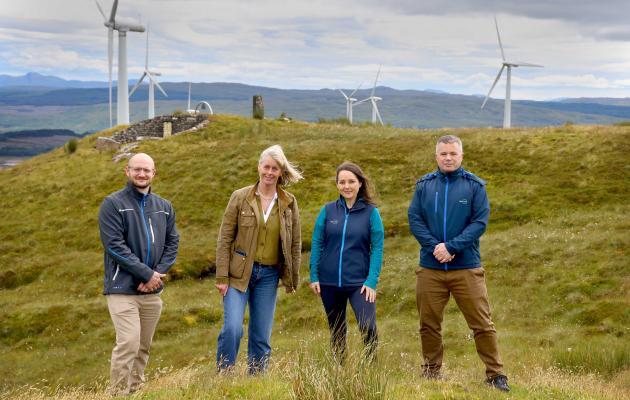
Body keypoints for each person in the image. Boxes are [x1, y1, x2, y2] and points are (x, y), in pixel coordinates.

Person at [407, 135, 510, 392]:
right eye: (443, 154)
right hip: (430, 268)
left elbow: (479, 223)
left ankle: (495, 375)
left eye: (453, 153)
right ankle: (431, 372)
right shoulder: (424, 186)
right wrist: (435, 248)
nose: (448, 158)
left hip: (466, 268)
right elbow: (415, 219)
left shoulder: (474, 186)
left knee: (482, 324)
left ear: (461, 156)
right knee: (428, 324)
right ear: (436, 156)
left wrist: (452, 247)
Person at [215, 144, 302, 374]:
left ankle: (257, 381)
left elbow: (294, 244)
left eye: (275, 168)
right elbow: (224, 238)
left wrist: (292, 279)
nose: (270, 173)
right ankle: (224, 375)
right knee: (233, 328)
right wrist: (222, 276)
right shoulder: (240, 197)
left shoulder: (289, 202)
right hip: (238, 274)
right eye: (266, 167)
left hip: (269, 276)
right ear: (259, 167)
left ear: (281, 172)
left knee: (261, 335)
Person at [98, 153, 179, 396]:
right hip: (122, 289)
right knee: (129, 344)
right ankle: (118, 394)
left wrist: (158, 274)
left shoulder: (164, 207)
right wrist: (146, 274)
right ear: (127, 171)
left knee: (143, 347)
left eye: (146, 170)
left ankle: (135, 393)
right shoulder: (112, 203)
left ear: (154, 173)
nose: (141, 174)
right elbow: (113, 245)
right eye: (137, 169)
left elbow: (173, 242)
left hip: (152, 292)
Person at [309, 162, 384, 361]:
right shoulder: (327, 211)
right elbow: (317, 243)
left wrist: (371, 281)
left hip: (359, 283)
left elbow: (377, 248)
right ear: (337, 185)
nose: (347, 186)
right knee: (337, 331)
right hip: (329, 282)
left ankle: (370, 373)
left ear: (360, 183)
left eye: (351, 181)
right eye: (342, 182)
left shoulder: (371, 213)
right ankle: (340, 372)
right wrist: (314, 275)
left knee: (368, 326)